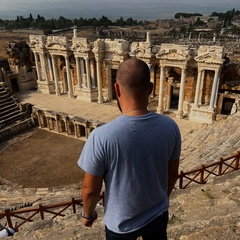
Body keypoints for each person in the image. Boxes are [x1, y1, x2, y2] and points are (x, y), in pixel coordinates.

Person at [78, 58, 181, 240]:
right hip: (158, 214)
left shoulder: (101, 136)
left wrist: (88, 215)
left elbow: (90, 190)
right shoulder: (170, 127)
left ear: (116, 89)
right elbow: (172, 174)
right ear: (150, 89)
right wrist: (160, 200)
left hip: (121, 224)